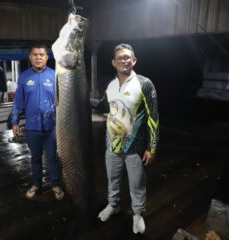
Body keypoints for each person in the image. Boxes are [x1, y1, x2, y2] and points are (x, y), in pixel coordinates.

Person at [91, 44, 159, 234]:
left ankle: (137, 214)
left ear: (134, 60)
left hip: (135, 147)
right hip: (111, 145)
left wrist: (152, 148)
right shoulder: (111, 85)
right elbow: (104, 105)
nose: (124, 61)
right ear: (114, 62)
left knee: (137, 183)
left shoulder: (144, 84)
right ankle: (113, 205)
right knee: (112, 180)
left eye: (128, 57)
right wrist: (81, 98)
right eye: (120, 58)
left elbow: (154, 117)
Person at [11, 44, 64, 200]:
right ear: (30, 57)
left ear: (47, 57)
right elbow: (18, 102)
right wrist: (14, 122)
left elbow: (62, 102)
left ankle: (55, 184)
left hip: (52, 127)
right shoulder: (24, 77)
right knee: (35, 158)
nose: (38, 57)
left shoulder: (55, 76)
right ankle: (36, 183)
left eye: (42, 54)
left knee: (52, 157)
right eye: (35, 54)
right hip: (32, 127)